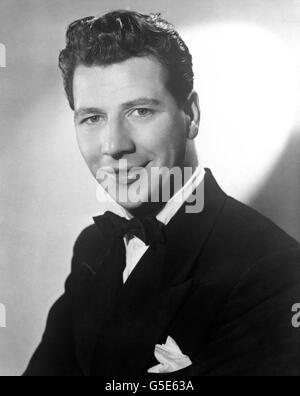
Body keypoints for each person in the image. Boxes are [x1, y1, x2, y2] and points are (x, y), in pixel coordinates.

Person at [24, 10, 300, 376]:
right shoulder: (93, 247)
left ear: (192, 115)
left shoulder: (273, 267)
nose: (114, 145)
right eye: (92, 118)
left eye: (139, 111)